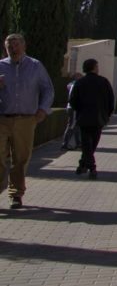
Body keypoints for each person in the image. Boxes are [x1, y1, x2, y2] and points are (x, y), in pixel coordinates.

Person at [0, 33, 55, 208]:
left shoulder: (35, 66)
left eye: (16, 45)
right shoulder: (0, 66)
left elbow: (48, 90)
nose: (13, 49)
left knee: (21, 158)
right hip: (2, 119)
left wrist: (43, 110)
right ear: (5, 48)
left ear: (24, 46)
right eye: (9, 46)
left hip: (25, 120)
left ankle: (16, 193)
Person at [67, 58, 115, 179]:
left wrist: (79, 110)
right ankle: (92, 167)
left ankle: (83, 164)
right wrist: (107, 114)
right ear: (94, 67)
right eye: (97, 66)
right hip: (99, 118)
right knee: (93, 143)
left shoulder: (80, 82)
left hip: (84, 118)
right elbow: (110, 100)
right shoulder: (104, 82)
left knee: (86, 143)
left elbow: (72, 100)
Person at [60, 72, 83, 150]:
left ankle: (78, 143)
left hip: (72, 108)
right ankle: (65, 144)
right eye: (80, 76)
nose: (82, 77)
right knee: (72, 125)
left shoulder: (73, 85)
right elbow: (73, 98)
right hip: (73, 108)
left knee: (77, 126)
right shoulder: (76, 85)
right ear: (76, 77)